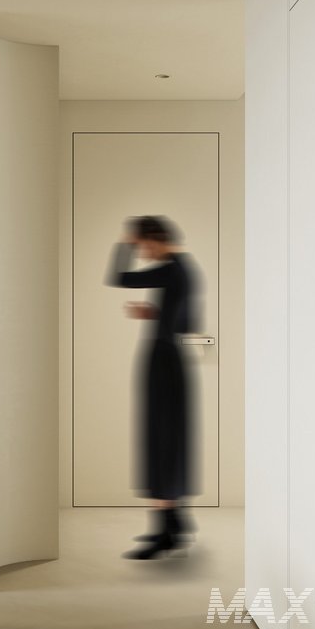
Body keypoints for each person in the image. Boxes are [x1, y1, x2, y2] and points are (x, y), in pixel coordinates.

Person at [106, 215, 197, 559]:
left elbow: (118, 277)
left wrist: (125, 243)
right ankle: (175, 525)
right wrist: (155, 315)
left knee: (160, 440)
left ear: (155, 240)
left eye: (143, 246)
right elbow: (189, 321)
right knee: (167, 439)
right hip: (172, 360)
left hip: (163, 361)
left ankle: (165, 532)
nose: (143, 253)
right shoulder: (186, 270)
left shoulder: (172, 268)